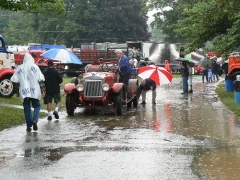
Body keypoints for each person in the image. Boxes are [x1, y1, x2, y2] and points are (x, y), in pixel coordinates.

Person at [11, 53, 45, 132]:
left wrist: (17, 92)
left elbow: (15, 80)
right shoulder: (35, 67)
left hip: (24, 91)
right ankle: (34, 119)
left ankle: (29, 126)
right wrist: (43, 90)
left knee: (27, 108)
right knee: (37, 106)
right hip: (35, 91)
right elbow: (41, 80)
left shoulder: (20, 68)